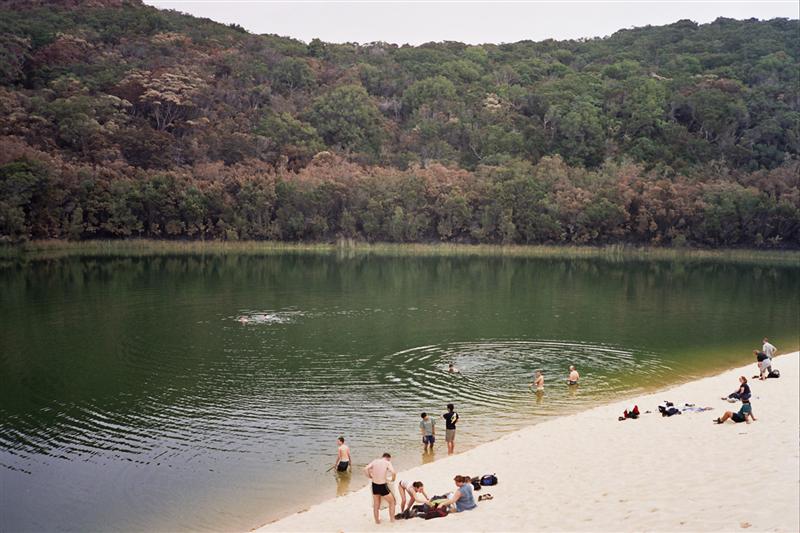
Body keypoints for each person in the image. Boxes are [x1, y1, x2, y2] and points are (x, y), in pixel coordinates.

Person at [364, 453, 397, 524]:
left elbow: (366, 468)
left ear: (382, 457)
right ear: (388, 458)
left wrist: (369, 476)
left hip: (374, 485)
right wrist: (393, 480)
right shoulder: (387, 462)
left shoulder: (375, 461)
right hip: (382, 486)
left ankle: (377, 521)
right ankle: (392, 519)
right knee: (392, 502)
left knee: (376, 504)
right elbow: (393, 472)